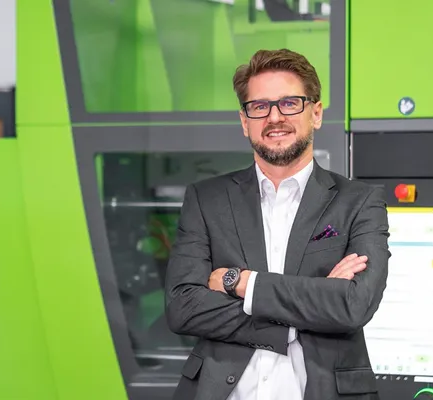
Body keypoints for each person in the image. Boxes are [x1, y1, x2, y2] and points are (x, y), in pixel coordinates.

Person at [164, 48, 390, 400]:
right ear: (245, 121)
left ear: (316, 113)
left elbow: (353, 305)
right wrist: (308, 308)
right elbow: (183, 307)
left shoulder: (359, 201)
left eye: (289, 103)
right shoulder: (206, 199)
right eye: (259, 106)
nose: (274, 117)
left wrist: (242, 282)